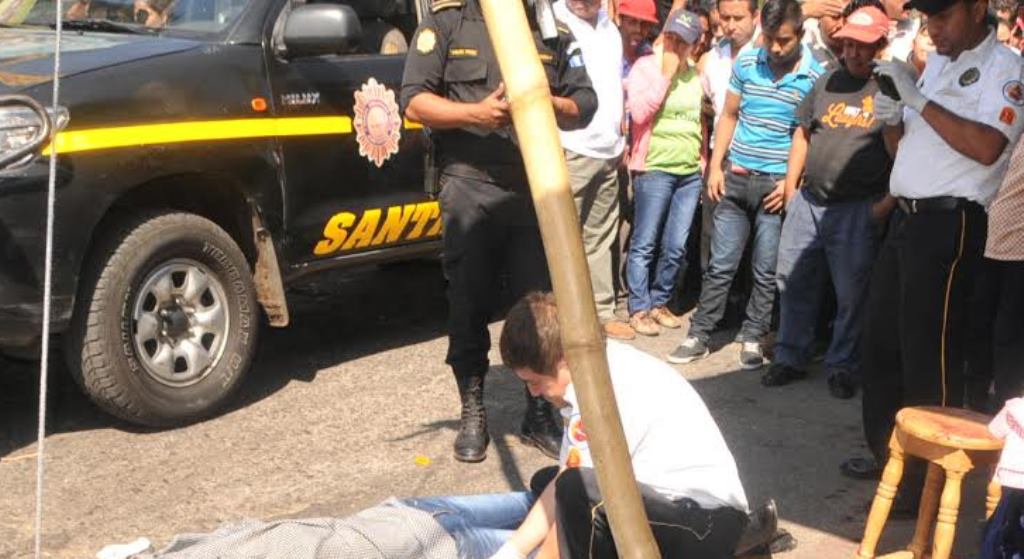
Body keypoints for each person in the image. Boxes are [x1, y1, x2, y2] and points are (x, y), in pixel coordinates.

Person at [400, 0, 597, 464]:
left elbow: (586, 103)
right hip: (470, 186)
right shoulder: (448, 22)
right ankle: (473, 409)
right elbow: (413, 101)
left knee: (536, 304)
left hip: (533, 184)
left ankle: (539, 412)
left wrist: (551, 103)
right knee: (468, 302)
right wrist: (474, 115)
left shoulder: (548, 27)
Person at [841, 0, 1024, 488]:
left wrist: (919, 102)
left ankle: (928, 477)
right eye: (927, 18)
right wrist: (893, 116)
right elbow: (903, 152)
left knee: (929, 353)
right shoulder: (938, 63)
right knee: (882, 347)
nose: (933, 28)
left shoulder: (1005, 68)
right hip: (906, 217)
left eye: (942, 16)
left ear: (978, 8)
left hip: (951, 221)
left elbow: (988, 148)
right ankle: (891, 462)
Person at [488, 292, 749, 558]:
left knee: (576, 490)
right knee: (551, 482)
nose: (533, 393)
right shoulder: (596, 366)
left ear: (563, 360)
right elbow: (564, 479)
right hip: (679, 512)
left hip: (706, 523)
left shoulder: (603, 389)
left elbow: (574, 486)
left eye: (535, 381)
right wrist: (511, 552)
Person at [668, 0, 825, 370]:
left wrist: (790, 184)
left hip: (774, 187)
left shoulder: (814, 77)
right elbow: (729, 114)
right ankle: (700, 334)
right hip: (736, 179)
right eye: (769, 38)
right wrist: (718, 168)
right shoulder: (747, 63)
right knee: (721, 264)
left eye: (784, 41)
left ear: (800, 35)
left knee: (765, 268)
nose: (774, 48)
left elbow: (807, 137)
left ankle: (753, 337)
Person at [763, 5, 899, 396]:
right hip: (809, 202)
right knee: (793, 281)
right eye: (849, 44)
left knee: (852, 295)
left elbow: (902, 152)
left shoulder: (889, 88)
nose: (854, 53)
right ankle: (790, 357)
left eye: (864, 46)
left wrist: (885, 205)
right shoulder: (826, 81)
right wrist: (791, 190)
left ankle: (843, 366)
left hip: (857, 209)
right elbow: (803, 133)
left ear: (881, 45)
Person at [553, 0, 635, 341]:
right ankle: (563, 315)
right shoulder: (553, 20)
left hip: (608, 148)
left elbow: (613, 84)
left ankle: (602, 311)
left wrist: (620, 137)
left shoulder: (608, 26)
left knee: (600, 235)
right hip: (571, 146)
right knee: (562, 236)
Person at [624, 9, 707, 336]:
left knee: (675, 245)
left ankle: (660, 301)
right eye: (671, 38)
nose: (675, 46)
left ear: (694, 45)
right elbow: (640, 114)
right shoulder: (646, 68)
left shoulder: (696, 76)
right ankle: (639, 307)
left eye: (682, 42)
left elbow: (698, 120)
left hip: (688, 172)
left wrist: (701, 161)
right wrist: (666, 76)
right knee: (645, 241)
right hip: (655, 167)